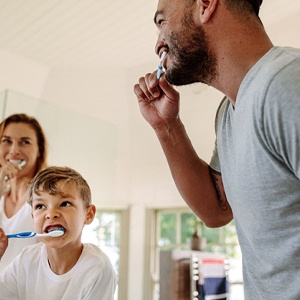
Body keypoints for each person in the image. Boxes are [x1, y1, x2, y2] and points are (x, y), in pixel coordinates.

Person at [133, 0, 300, 299]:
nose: (158, 42)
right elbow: (217, 210)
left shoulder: (287, 85)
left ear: (206, 4)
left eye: (162, 22)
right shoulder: (229, 113)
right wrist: (166, 127)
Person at [0, 166, 117, 300]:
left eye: (65, 203)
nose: (51, 214)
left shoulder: (97, 268)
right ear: (33, 218)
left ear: (88, 215)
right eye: (40, 206)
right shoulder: (26, 260)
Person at [0, 113, 47, 272]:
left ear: (39, 150)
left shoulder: (46, 200)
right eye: (6, 141)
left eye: (24, 142)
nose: (14, 151)